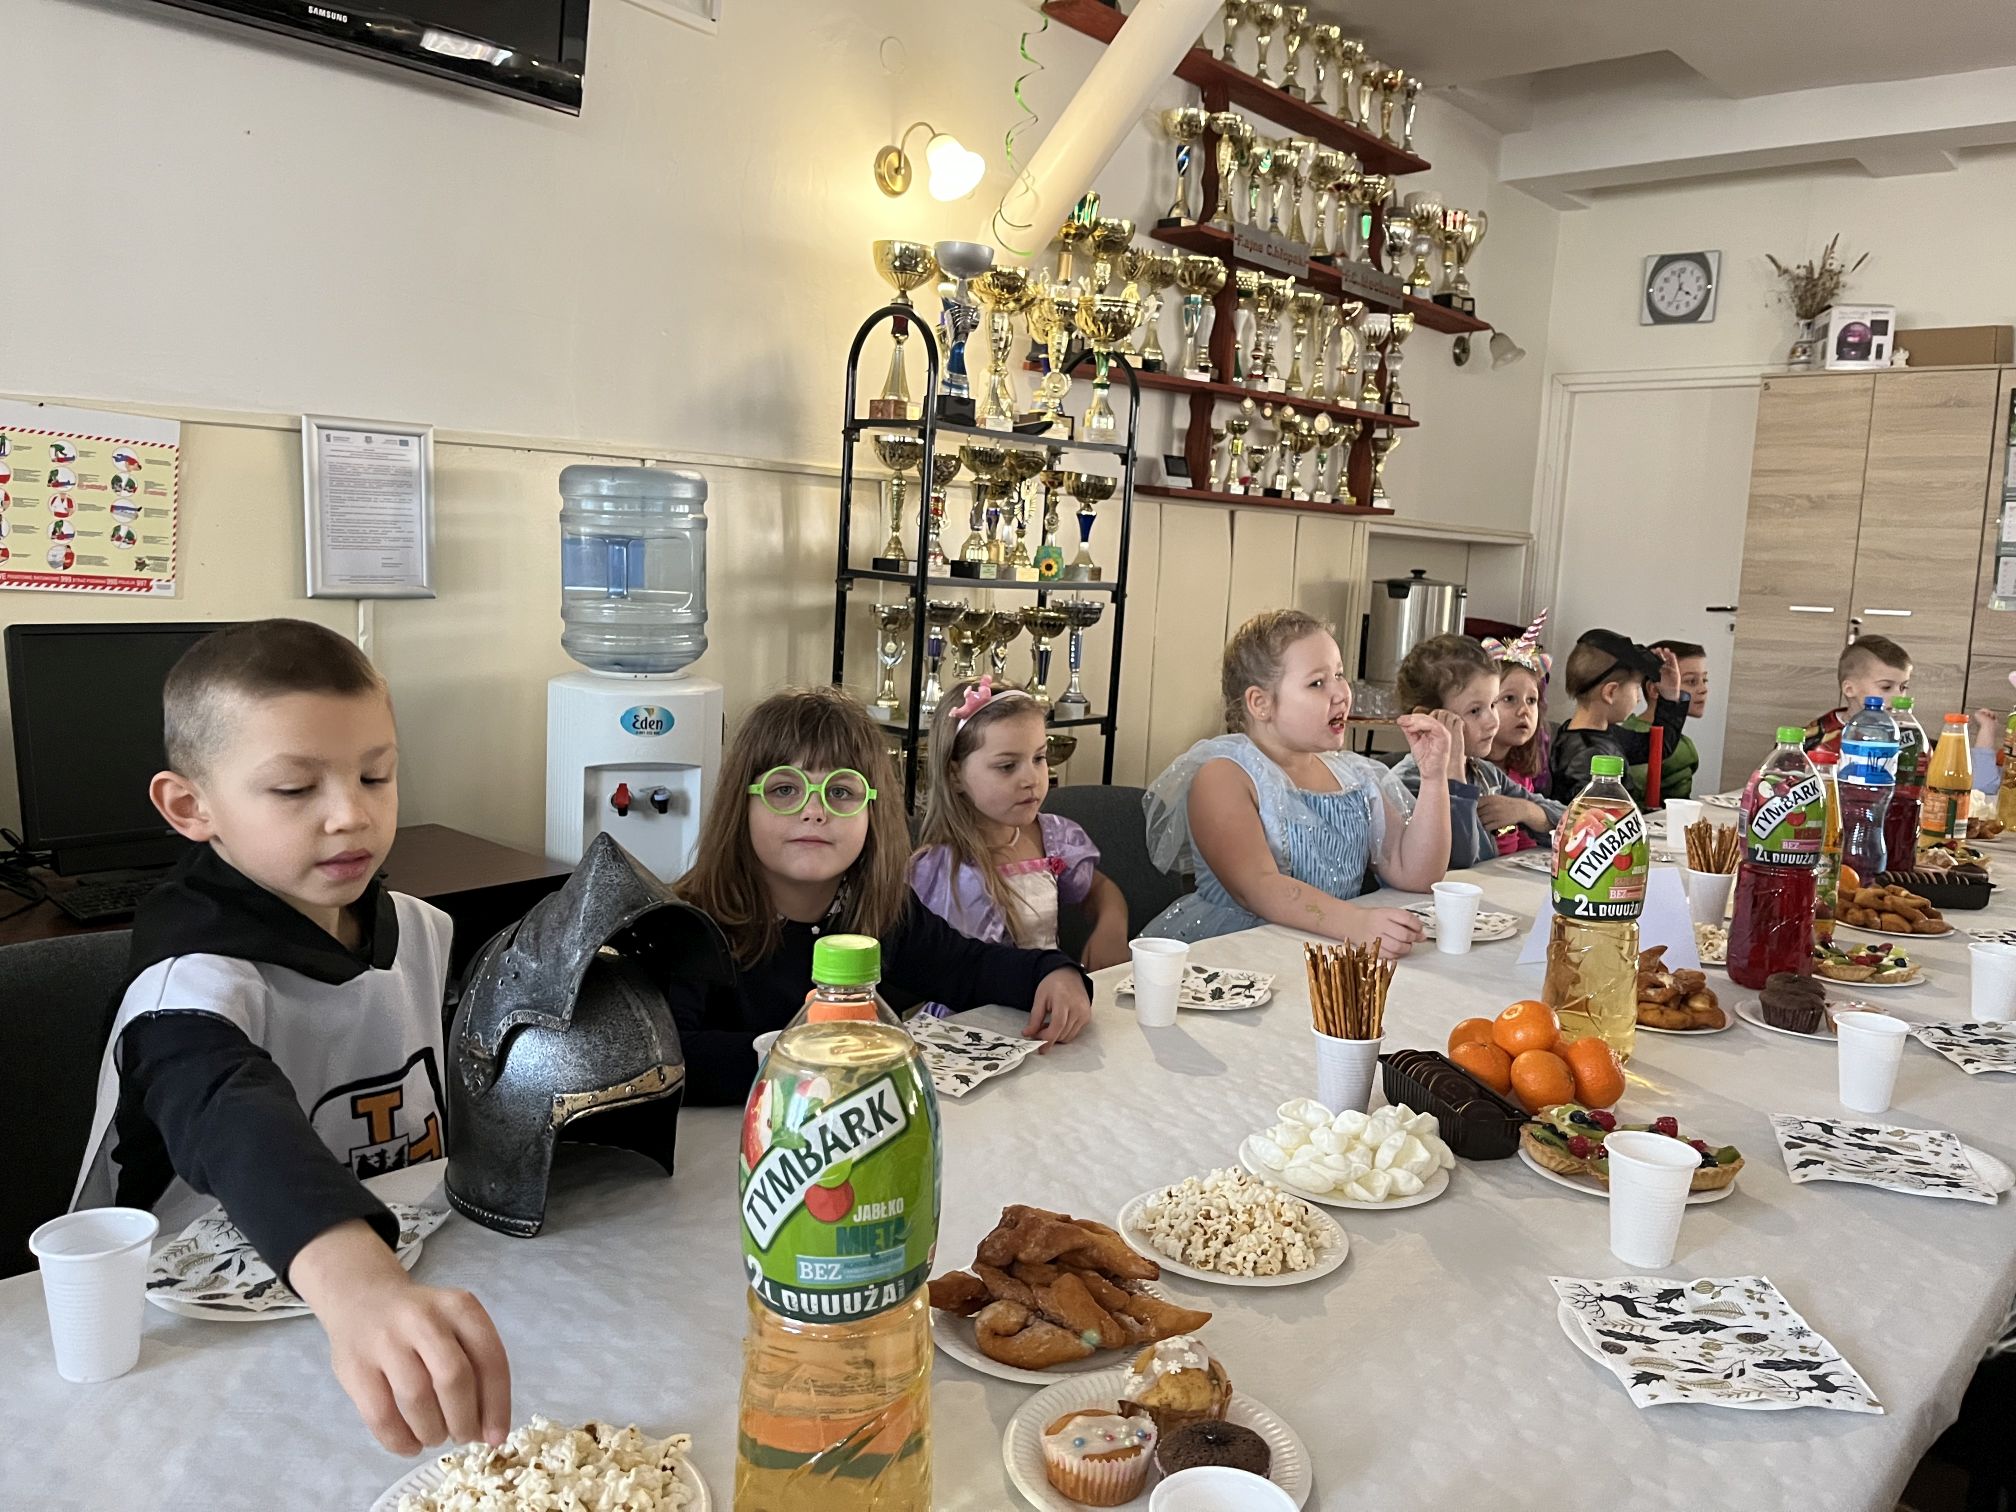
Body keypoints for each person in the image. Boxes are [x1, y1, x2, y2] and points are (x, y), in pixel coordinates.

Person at [70, 619, 511, 1457]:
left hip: (388, 1303)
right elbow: (228, 1114)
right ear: (191, 807)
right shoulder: (185, 986)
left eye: (376, 775)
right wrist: (358, 1285)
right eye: (294, 789)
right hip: (193, 1347)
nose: (351, 815)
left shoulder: (420, 929)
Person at [670, 685, 1092, 1105]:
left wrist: (1053, 972)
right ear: (741, 804)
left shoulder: (882, 908)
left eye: (840, 791)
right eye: (784, 790)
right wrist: (817, 1059)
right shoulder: (686, 926)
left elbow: (969, 967)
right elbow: (670, 1061)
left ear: (873, 811)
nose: (814, 811)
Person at [1141, 608, 1452, 956]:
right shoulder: (1224, 775)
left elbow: (1416, 874)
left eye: (1339, 675)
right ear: (1260, 703)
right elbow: (1257, 887)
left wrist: (1433, 776)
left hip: (1330, 947)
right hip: (1236, 952)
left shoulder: (1355, 776)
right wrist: (1353, 922)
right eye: (1317, 683)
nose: (1341, 693)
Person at [909, 675, 1130, 971]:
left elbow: (1099, 889)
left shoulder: (1053, 839)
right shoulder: (941, 869)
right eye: (1007, 766)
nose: (1031, 779)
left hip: (1051, 991)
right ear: (955, 774)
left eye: (1039, 758)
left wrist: (1112, 924)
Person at [1391, 633, 1557, 867]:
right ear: (1427, 719)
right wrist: (1454, 774)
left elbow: (1572, 824)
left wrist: (1527, 811)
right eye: (1475, 711)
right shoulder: (1406, 785)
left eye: (1493, 704)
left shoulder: (1486, 774)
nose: (1492, 721)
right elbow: (1462, 860)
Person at [1547, 628, 1686, 804]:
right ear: (1610, 692)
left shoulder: (1604, 734)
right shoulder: (1587, 755)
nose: (1638, 698)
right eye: (1636, 688)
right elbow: (1592, 816)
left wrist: (1670, 697)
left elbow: (1657, 748)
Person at [1481, 617, 1559, 855]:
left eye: (1531, 700)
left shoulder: (1518, 772)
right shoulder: (1471, 770)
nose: (1524, 710)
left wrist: (1525, 810)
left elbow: (1526, 843)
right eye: (1509, 699)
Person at [1624, 638, 1707, 801]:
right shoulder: (1637, 739)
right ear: (1655, 689)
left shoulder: (1681, 742)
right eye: (1691, 681)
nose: (1703, 689)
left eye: (1705, 680)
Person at [1804, 635, 1911, 755]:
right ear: (1849, 689)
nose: (1899, 697)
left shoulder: (1907, 734)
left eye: (1903, 687)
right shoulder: (1819, 735)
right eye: (1886, 687)